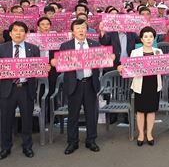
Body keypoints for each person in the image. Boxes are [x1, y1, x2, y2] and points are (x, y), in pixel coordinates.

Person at [52, 19, 104, 155]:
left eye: (83, 28)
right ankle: (72, 142)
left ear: (87, 30)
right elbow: (60, 63)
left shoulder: (95, 45)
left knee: (91, 114)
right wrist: (55, 62)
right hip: (73, 84)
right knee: (73, 115)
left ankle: (91, 140)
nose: (81, 30)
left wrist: (107, 57)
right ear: (73, 31)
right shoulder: (65, 46)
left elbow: (101, 62)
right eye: (78, 28)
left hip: (90, 83)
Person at [0, 21, 41, 159]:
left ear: (26, 34)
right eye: (15, 30)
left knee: (27, 119)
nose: (18, 33)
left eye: (21, 30)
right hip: (7, 89)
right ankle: (5, 147)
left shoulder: (34, 49)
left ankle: (27, 146)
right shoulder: (2, 49)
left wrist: (44, 68)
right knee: (5, 120)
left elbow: (38, 68)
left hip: (25, 88)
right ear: (10, 33)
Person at [118, 26, 163, 146]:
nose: (148, 39)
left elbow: (164, 67)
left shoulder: (158, 52)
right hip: (140, 84)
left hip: (154, 83)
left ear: (154, 38)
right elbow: (129, 68)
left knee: (151, 110)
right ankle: (141, 134)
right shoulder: (135, 52)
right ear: (141, 39)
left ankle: (149, 134)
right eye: (146, 37)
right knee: (141, 111)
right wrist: (122, 68)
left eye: (151, 37)